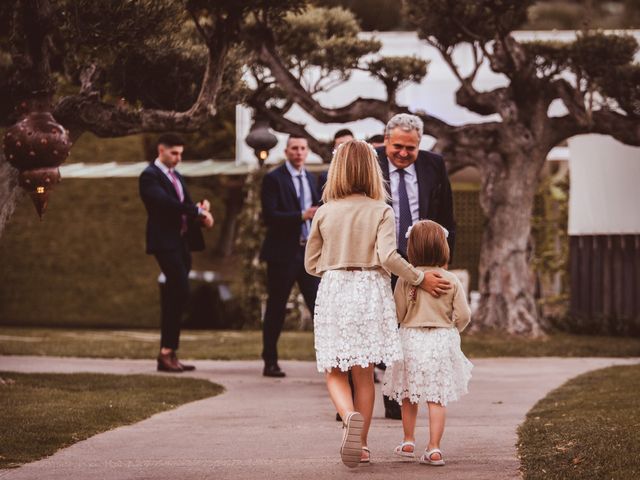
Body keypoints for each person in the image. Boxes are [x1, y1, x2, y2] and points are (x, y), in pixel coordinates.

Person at [304, 140, 440, 468]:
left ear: (336, 171)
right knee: (364, 375)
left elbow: (310, 263)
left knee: (334, 370)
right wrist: (419, 278)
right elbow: (388, 257)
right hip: (369, 290)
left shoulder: (324, 211)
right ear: (372, 170)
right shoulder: (381, 210)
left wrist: (336, 263)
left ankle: (347, 415)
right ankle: (362, 445)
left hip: (336, 288)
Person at [377, 112, 457, 419]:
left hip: (420, 260)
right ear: (386, 141)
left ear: (419, 144)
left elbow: (447, 217)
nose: (403, 153)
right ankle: (369, 395)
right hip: (381, 259)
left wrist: (443, 264)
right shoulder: (372, 162)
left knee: (408, 329)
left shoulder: (433, 165)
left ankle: (400, 396)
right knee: (383, 324)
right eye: (397, 146)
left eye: (410, 148)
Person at [382, 220, 472, 466]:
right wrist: (454, 327)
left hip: (410, 340)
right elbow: (464, 315)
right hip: (440, 341)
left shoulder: (406, 279)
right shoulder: (451, 279)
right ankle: (434, 448)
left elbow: (398, 314)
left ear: (411, 249)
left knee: (409, 396)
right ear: (443, 247)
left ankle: (408, 440)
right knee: (436, 397)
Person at [139, 133, 214, 372]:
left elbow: (186, 207)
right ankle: (166, 352)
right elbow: (163, 204)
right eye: (175, 153)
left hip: (182, 242)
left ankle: (169, 353)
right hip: (165, 242)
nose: (178, 158)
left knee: (176, 295)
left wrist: (200, 214)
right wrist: (196, 211)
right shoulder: (150, 176)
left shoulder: (176, 176)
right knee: (180, 288)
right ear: (161, 150)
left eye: (181, 153)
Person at [260, 135, 321, 378]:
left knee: (319, 308)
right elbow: (269, 215)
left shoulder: (312, 178)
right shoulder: (273, 179)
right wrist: (301, 215)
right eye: (294, 148)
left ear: (307, 152)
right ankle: (270, 361)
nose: (298, 152)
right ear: (286, 151)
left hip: (308, 253)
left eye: (302, 148)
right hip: (282, 253)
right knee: (276, 307)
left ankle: (330, 362)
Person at [318, 128, 354, 194]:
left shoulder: (364, 175)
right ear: (334, 149)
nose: (346, 148)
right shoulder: (325, 178)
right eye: (341, 145)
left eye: (349, 144)